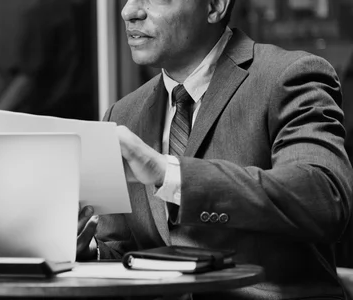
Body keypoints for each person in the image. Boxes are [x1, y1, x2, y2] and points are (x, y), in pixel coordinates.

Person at [77, 0, 353, 299]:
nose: (129, 11)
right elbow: (120, 249)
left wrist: (167, 174)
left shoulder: (288, 76)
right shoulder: (123, 113)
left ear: (214, 6)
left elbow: (323, 198)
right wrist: (87, 249)